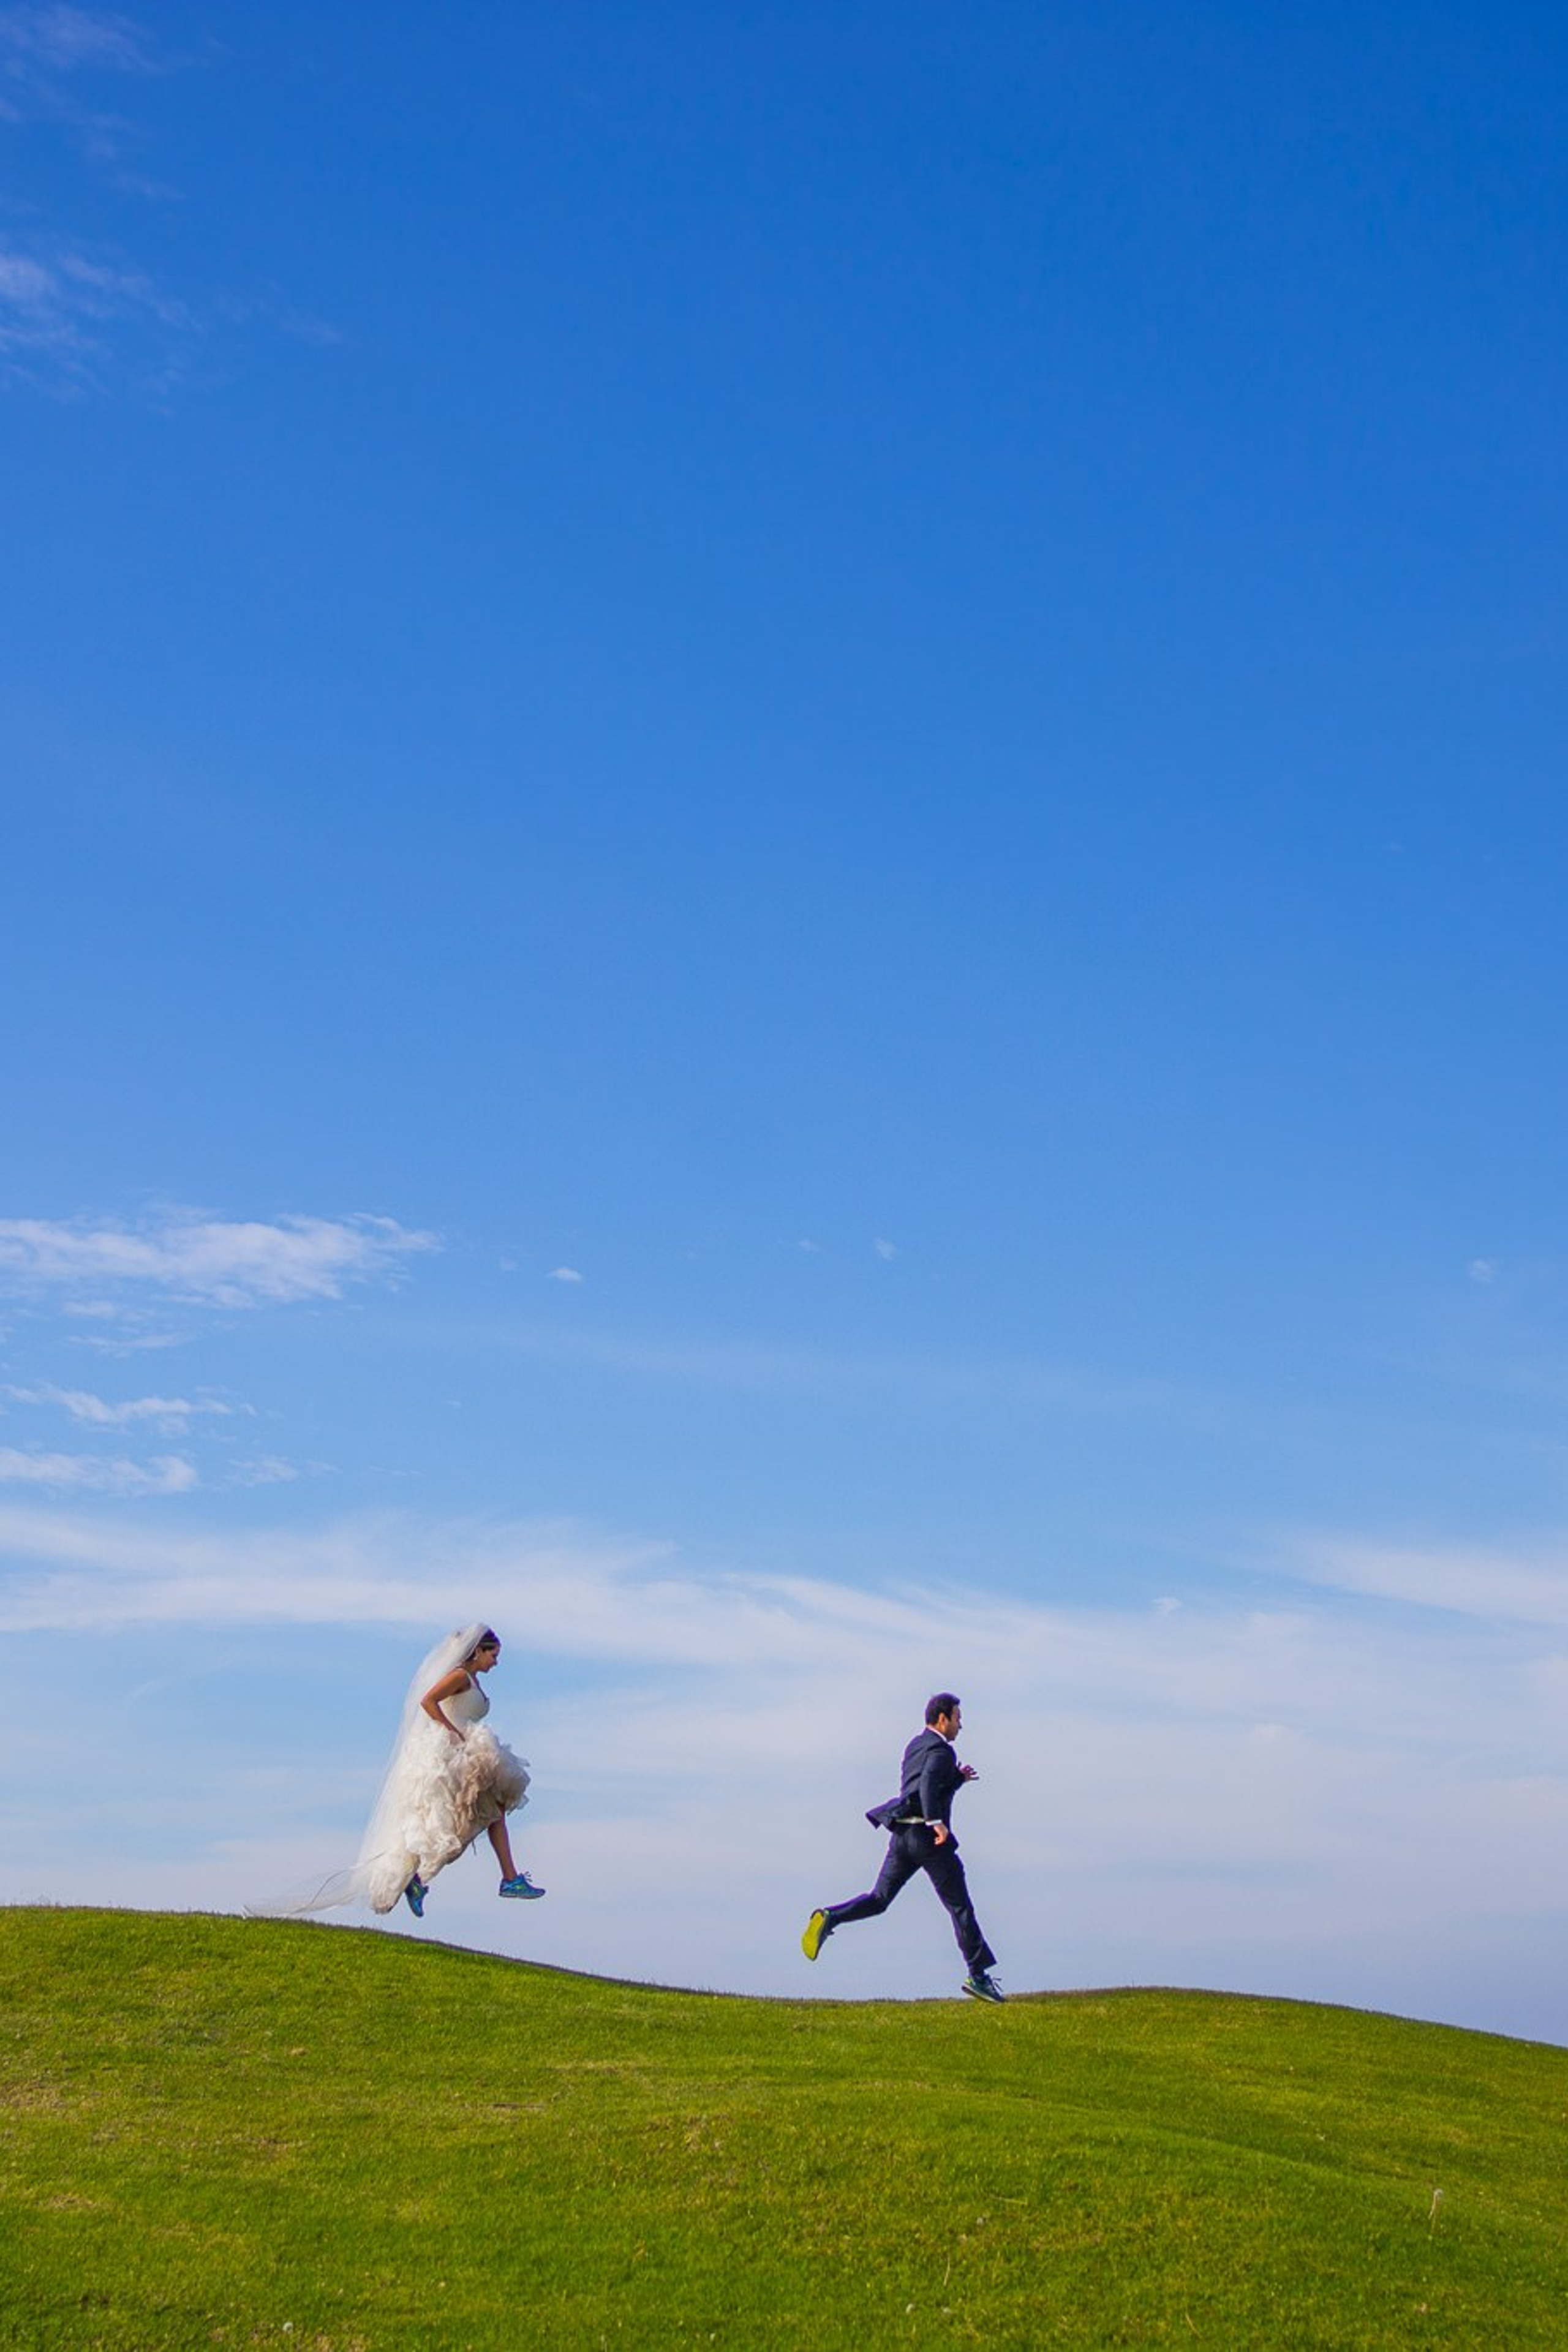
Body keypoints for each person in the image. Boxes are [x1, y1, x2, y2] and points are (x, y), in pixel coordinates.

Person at [249, 1621, 544, 1921]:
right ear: (478, 1651)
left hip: (469, 1754)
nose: (496, 1662)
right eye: (493, 1655)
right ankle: (496, 1879)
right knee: (461, 1822)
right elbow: (428, 1701)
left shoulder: (472, 1680)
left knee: (485, 1814)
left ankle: (484, 1879)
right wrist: (452, 1732)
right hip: (453, 1755)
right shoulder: (460, 1677)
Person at [801, 1692, 1003, 2002]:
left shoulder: (915, 1746)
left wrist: (958, 1780)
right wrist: (936, 1822)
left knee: (879, 1899)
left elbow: (924, 1782)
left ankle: (830, 1916)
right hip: (928, 1837)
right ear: (942, 1719)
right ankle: (978, 1976)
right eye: (958, 1719)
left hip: (901, 1836)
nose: (961, 1726)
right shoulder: (943, 1751)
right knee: (960, 1906)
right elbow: (927, 1785)